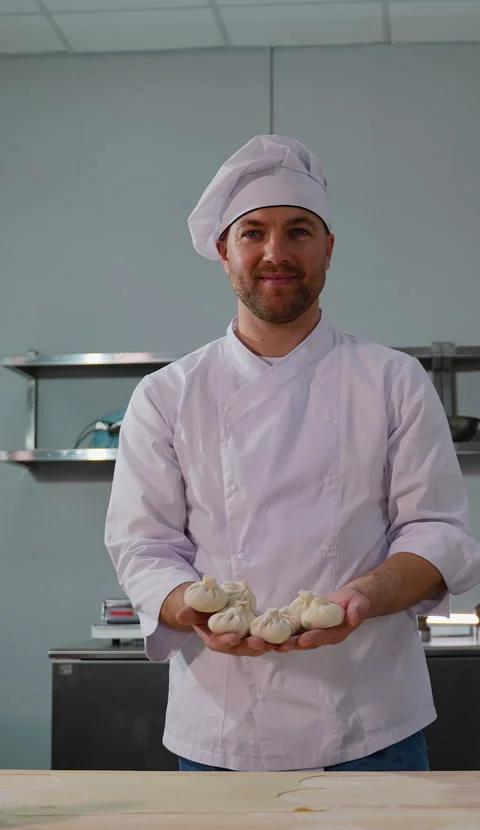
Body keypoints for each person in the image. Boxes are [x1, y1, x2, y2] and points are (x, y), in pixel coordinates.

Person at [105, 135, 480, 773]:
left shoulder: (393, 380)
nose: (275, 253)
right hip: (222, 726)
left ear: (328, 248)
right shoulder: (167, 395)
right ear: (224, 251)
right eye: (253, 233)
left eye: (298, 231)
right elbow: (142, 546)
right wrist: (189, 605)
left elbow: (438, 531)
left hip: (372, 724)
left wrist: (361, 597)